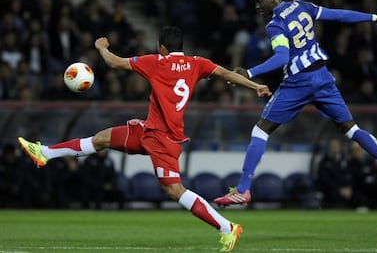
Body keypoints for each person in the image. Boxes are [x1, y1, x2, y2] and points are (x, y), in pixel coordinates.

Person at [18, 25, 272, 251]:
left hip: (163, 139)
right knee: (102, 139)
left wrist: (101, 48)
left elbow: (115, 63)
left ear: (162, 47)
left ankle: (227, 228)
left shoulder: (156, 62)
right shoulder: (197, 63)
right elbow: (226, 73)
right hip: (148, 131)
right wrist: (255, 86)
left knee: (174, 190)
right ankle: (45, 153)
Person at [213, 0, 377, 207]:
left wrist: (249, 71)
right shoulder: (302, 5)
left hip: (299, 81)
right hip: (322, 77)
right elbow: (337, 15)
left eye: (259, 1)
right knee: (351, 128)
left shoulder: (274, 25)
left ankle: (243, 190)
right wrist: (373, 17)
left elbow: (282, 58)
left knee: (260, 130)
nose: (257, 7)